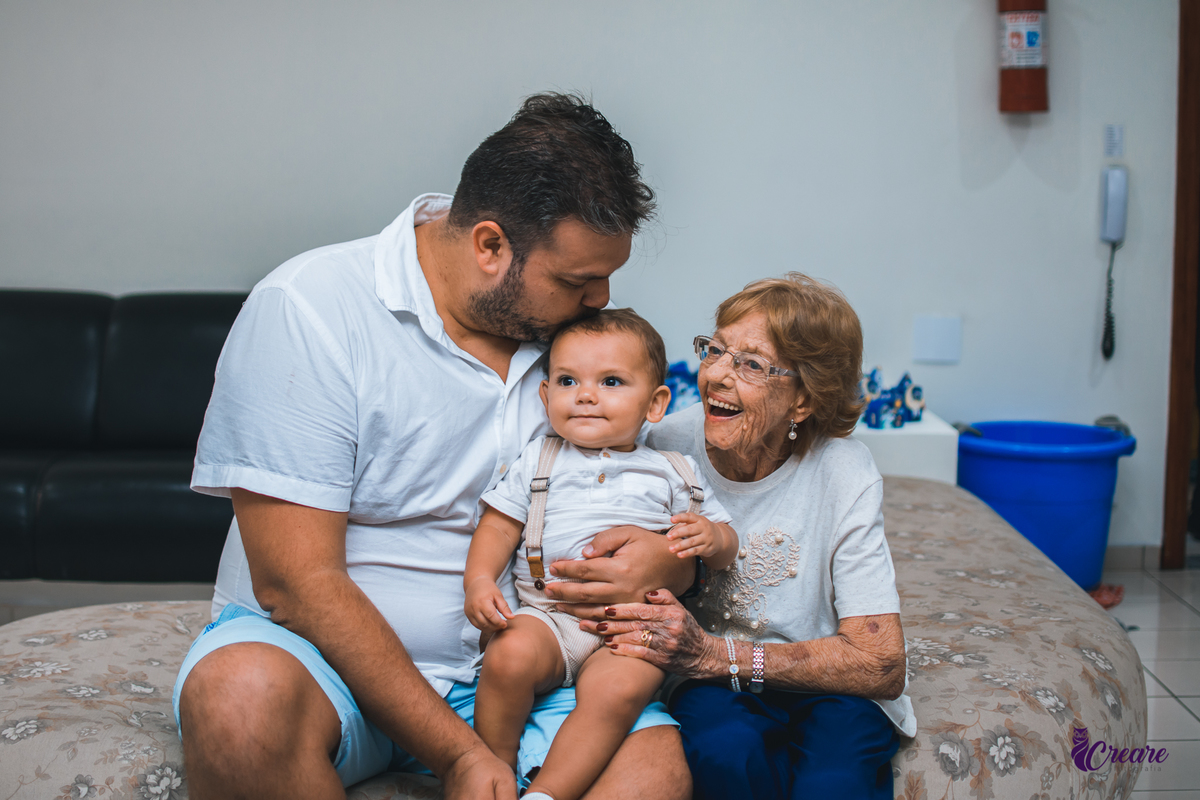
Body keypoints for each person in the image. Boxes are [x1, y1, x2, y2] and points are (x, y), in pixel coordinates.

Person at [170, 93, 695, 800]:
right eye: (578, 279)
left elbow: (650, 481)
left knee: (654, 774)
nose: (601, 298)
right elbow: (296, 585)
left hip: (525, 664)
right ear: (489, 246)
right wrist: (460, 755)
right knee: (238, 702)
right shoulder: (310, 308)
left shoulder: (575, 347)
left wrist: (668, 561)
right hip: (323, 667)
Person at [565, 273, 917, 800]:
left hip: (829, 686)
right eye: (716, 351)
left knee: (833, 783)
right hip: (711, 689)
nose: (717, 377)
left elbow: (880, 663)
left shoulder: (844, 471)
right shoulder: (666, 441)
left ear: (802, 401)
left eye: (751, 364)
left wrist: (716, 654)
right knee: (724, 755)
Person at [464, 309, 738, 800]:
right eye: (568, 380)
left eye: (611, 381)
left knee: (620, 691)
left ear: (654, 404)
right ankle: (495, 769)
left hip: (631, 625)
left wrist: (714, 540)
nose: (586, 394)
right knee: (508, 657)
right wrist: (480, 582)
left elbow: (723, 549)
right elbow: (499, 526)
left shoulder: (673, 471)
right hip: (547, 613)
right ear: (547, 397)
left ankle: (548, 792)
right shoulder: (540, 458)